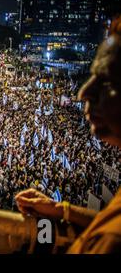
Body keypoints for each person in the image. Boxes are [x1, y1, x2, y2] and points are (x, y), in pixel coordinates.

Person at [15, 17, 121, 254]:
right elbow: (107, 218)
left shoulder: (110, 242)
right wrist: (63, 210)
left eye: (106, 81)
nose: (83, 92)